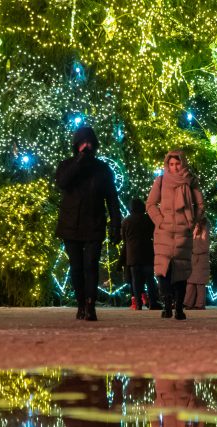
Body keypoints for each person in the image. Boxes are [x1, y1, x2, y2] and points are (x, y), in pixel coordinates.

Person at [55, 127, 120, 321]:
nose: (87, 146)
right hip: (71, 224)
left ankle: (90, 305)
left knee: (91, 265)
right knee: (76, 267)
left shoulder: (102, 169)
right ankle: (81, 303)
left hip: (94, 223)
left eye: (90, 142)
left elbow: (112, 199)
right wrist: (79, 162)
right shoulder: (66, 165)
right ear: (76, 144)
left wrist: (116, 224)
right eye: (83, 142)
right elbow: (62, 182)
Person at [146, 150, 204, 321]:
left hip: (182, 231)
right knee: (163, 271)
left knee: (181, 270)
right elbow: (150, 204)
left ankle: (179, 307)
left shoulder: (190, 181)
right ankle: (167, 304)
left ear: (183, 163)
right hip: (164, 231)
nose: (174, 167)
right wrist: (159, 220)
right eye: (171, 164)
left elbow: (200, 205)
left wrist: (191, 222)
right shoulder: (161, 181)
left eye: (177, 163)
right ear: (167, 165)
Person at [120, 198, 160, 311]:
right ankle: (153, 302)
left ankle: (138, 304)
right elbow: (154, 233)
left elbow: (124, 238)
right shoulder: (148, 219)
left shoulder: (126, 221)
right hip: (147, 253)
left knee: (136, 280)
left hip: (133, 255)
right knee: (150, 279)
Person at [184, 218, 210, 310]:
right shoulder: (193, 225)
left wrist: (193, 250)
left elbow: (204, 245)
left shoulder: (204, 226)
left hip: (200, 259)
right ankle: (188, 303)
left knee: (199, 283)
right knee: (190, 282)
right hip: (193, 258)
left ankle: (199, 304)